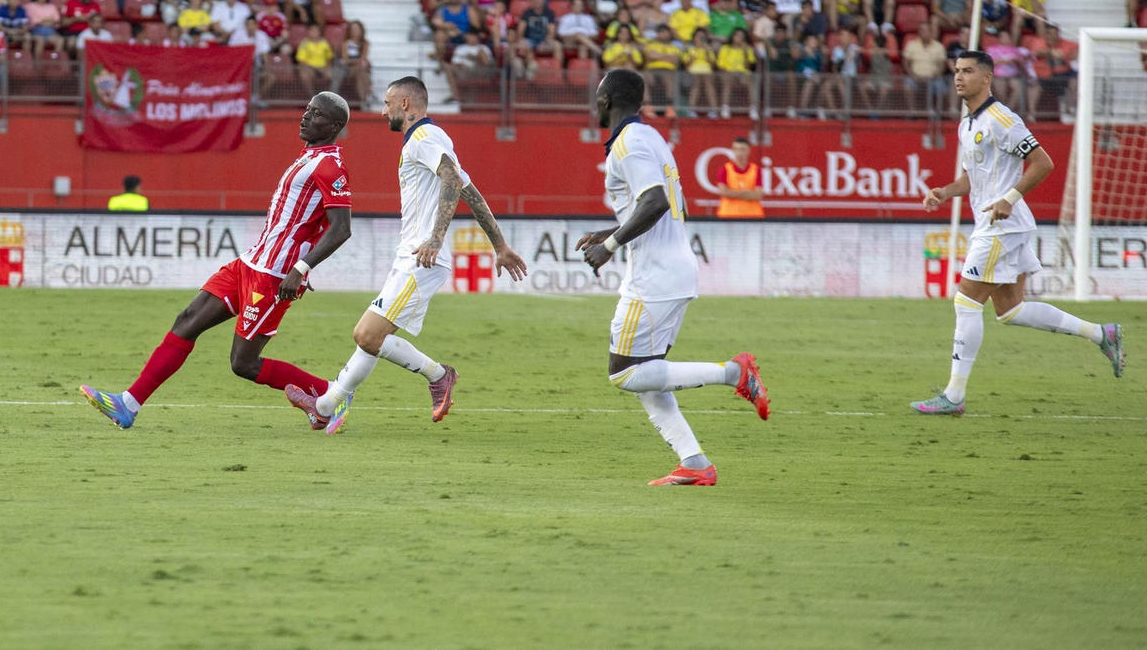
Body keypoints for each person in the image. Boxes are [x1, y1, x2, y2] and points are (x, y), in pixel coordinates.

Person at [79, 93, 356, 429]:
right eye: (307, 109)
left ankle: (331, 394)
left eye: (317, 114)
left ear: (335, 126)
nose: (306, 117)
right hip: (249, 264)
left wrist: (300, 269)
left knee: (243, 363)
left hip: (274, 276)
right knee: (187, 320)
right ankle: (128, 404)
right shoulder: (308, 156)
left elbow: (341, 229)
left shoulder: (330, 166)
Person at [289, 76, 527, 434]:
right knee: (370, 338)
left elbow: (450, 178)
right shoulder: (431, 140)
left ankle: (437, 375)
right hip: (414, 256)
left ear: (404, 104)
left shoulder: (424, 137)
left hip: (422, 257)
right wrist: (499, 245)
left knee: (367, 335)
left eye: (387, 103)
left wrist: (435, 237)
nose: (383, 111)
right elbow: (469, 191)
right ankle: (325, 406)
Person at [576, 69, 771, 485]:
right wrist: (611, 232)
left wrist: (609, 247)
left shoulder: (628, 143)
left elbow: (656, 203)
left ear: (607, 101)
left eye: (597, 97)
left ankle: (734, 373)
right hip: (670, 268)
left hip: (655, 275)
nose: (595, 104)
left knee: (625, 373)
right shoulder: (651, 139)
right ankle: (696, 464)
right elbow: (660, 204)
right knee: (648, 375)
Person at [911, 52, 1124, 415]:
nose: (959, 78)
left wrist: (1010, 197)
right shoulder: (968, 122)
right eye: (956, 71)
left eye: (968, 71)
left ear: (987, 78)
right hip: (998, 223)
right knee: (1010, 310)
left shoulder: (1002, 119)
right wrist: (946, 192)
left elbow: (1044, 162)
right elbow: (974, 177)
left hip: (1001, 226)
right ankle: (1101, 333)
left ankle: (954, 397)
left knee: (966, 301)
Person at [713, 136, 764, 218]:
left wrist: (733, 193)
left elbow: (758, 195)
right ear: (732, 150)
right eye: (736, 149)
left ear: (749, 151)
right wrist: (747, 192)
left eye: (742, 149)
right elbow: (724, 192)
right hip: (728, 215)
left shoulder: (756, 170)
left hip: (753, 216)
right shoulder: (724, 169)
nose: (739, 153)